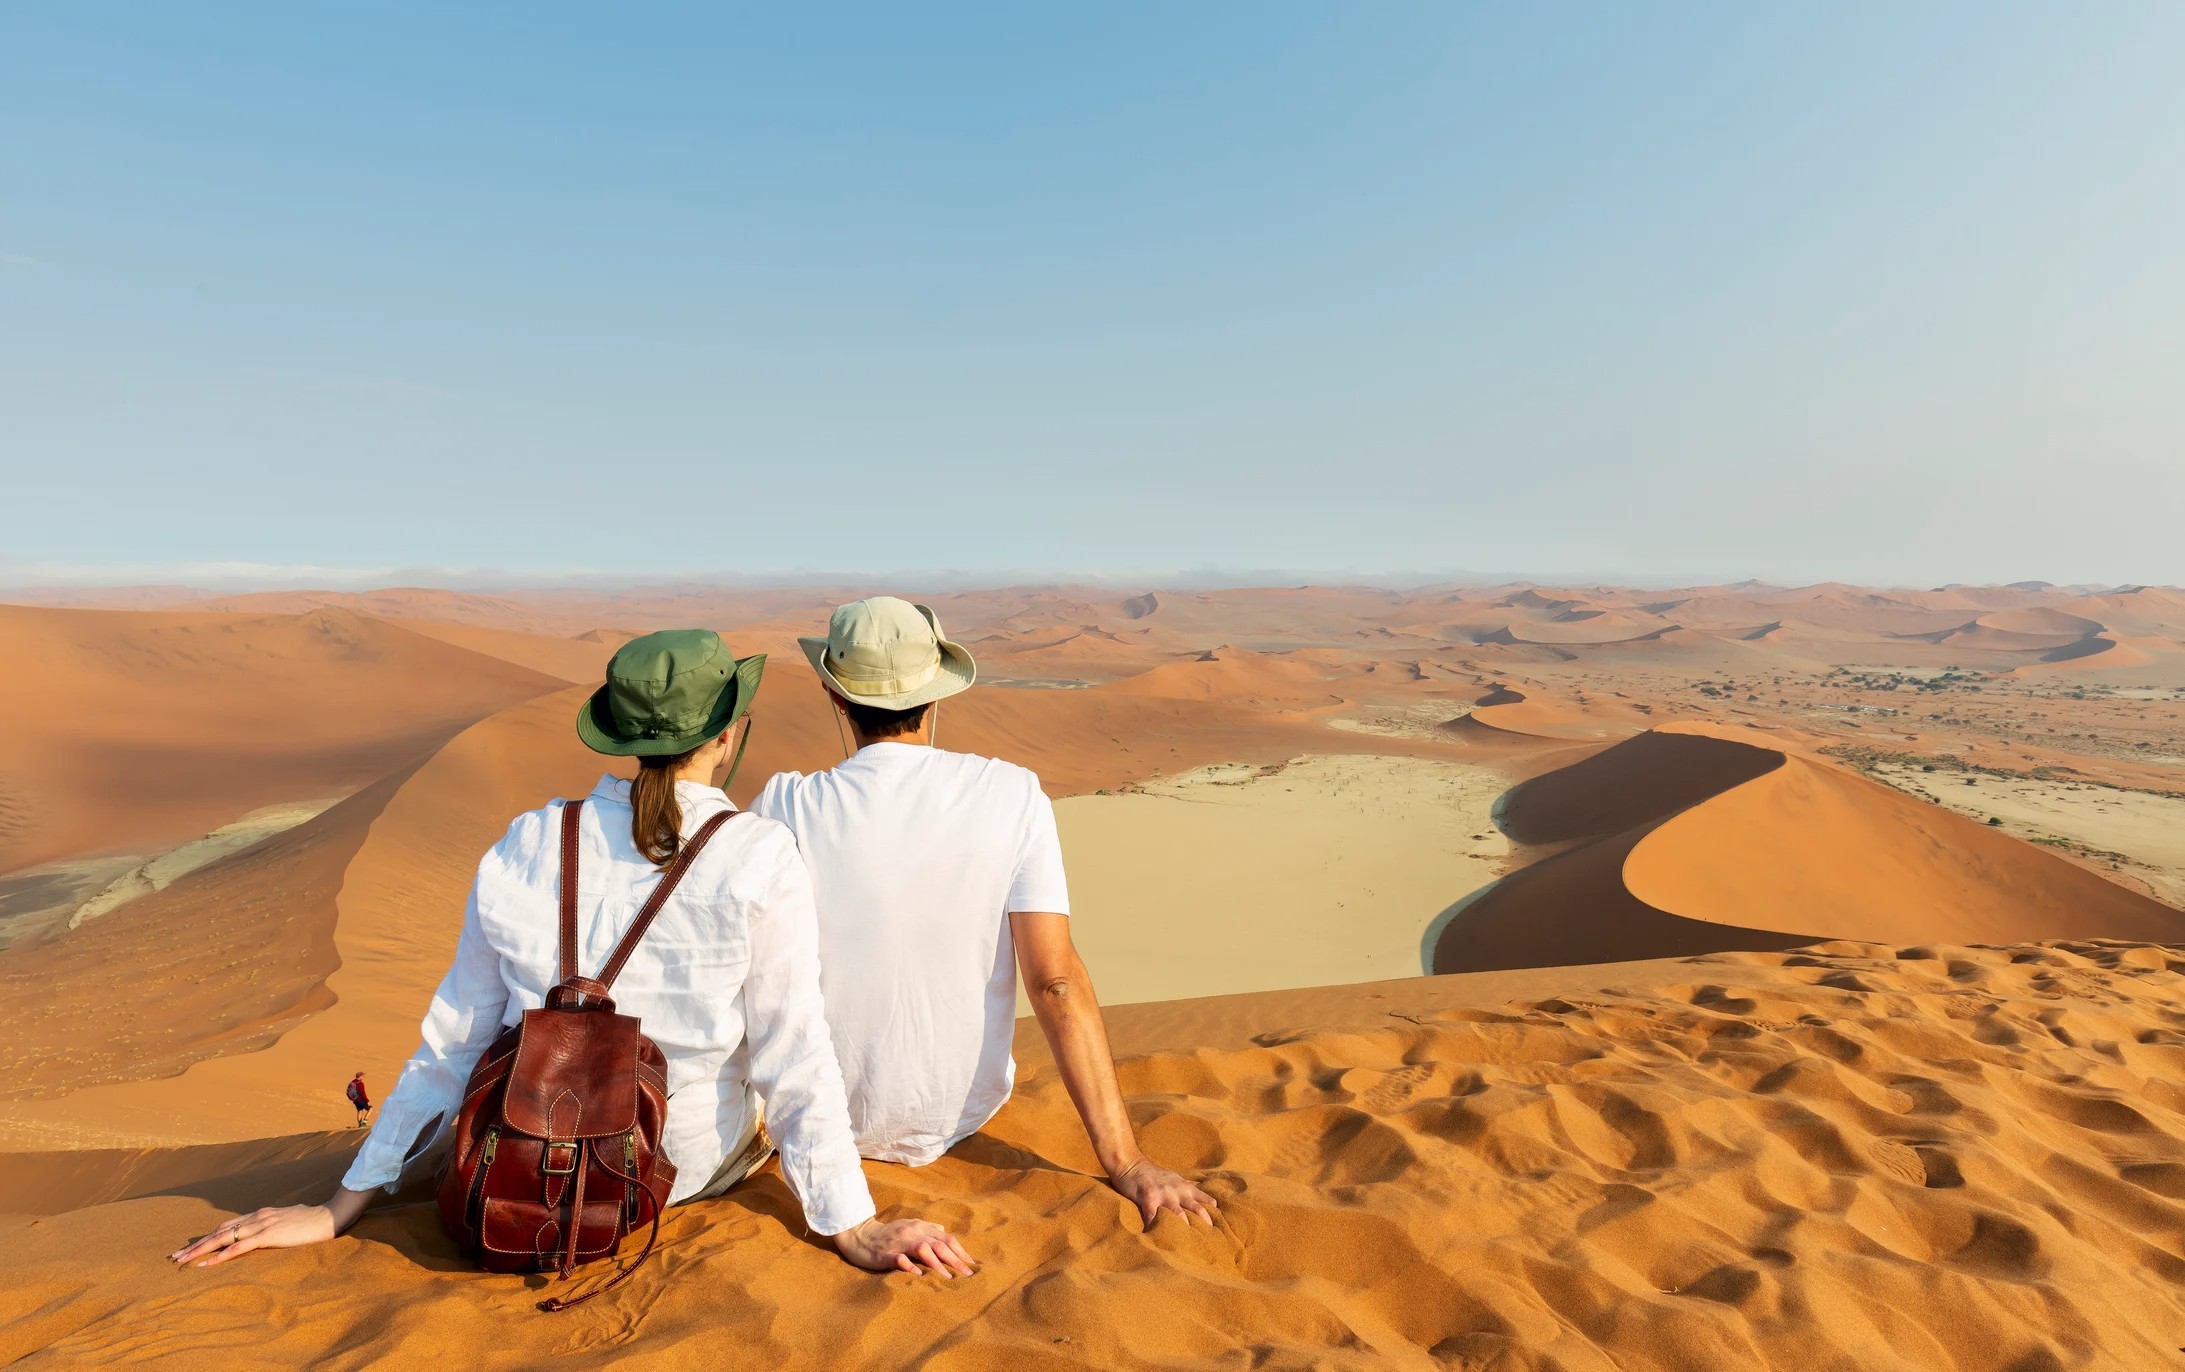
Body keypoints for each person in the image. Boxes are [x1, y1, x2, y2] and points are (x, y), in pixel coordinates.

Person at [171, 630, 973, 1279]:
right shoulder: (759, 854)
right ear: (727, 737)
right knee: (764, 1084)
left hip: (523, 1160)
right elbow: (792, 1051)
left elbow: (454, 1039)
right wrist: (850, 1223)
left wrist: (341, 1204)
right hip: (666, 1175)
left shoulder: (528, 839)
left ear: (619, 735)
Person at [753, 597, 1217, 1228]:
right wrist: (1128, 1163)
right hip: (961, 1116)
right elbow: (1054, 981)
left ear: (836, 698)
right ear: (936, 694)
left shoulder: (785, 804)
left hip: (820, 1124)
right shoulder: (1013, 793)